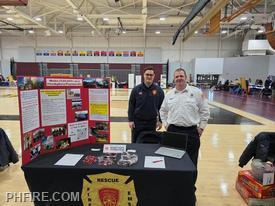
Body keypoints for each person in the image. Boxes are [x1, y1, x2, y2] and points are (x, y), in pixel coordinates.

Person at [159, 68, 210, 197]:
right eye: (177, 77)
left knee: (191, 164)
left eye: (181, 76)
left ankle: (189, 191)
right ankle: (174, 189)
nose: (179, 78)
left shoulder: (196, 92)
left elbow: (205, 111)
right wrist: (166, 124)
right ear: (174, 79)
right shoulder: (169, 94)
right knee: (172, 162)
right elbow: (162, 111)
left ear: (186, 78)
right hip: (173, 132)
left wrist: (202, 127)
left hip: (191, 132)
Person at [128, 66, 164, 143]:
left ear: (154, 76)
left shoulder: (159, 91)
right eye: (147, 74)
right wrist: (130, 120)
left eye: (151, 75)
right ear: (143, 75)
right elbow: (131, 105)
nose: (149, 76)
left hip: (151, 123)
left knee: (149, 144)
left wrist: (160, 121)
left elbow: (162, 108)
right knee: (135, 144)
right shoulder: (136, 90)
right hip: (137, 123)